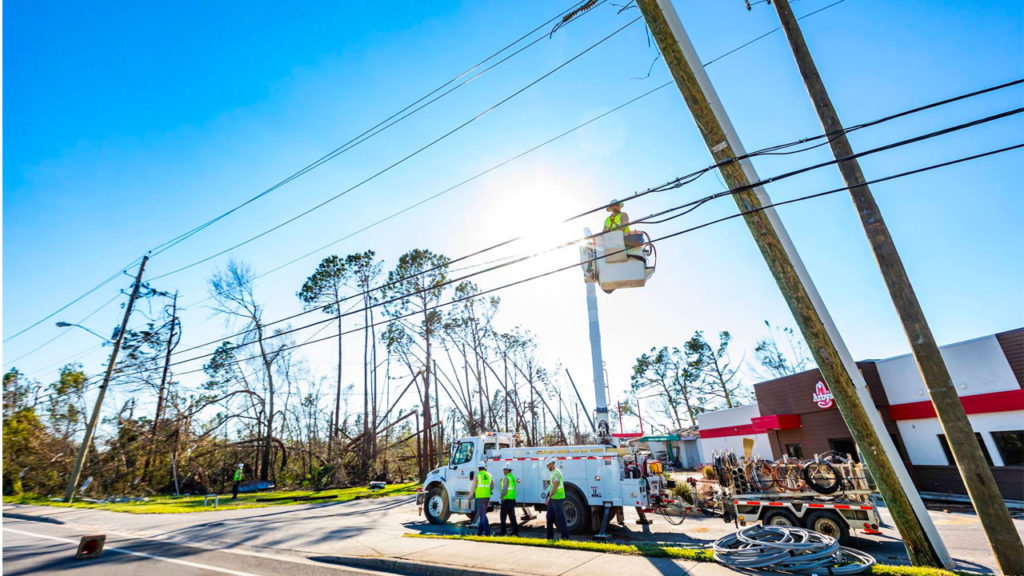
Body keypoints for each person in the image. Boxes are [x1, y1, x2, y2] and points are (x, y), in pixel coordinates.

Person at [544, 459, 569, 541]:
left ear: (551, 464)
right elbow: (552, 486)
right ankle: (549, 537)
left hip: (557, 498)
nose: (547, 467)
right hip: (554, 499)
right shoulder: (554, 472)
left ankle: (565, 537)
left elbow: (555, 485)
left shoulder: (556, 473)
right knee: (549, 517)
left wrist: (549, 497)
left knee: (560, 518)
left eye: (548, 465)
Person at [470, 463, 493, 536]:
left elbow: (473, 486)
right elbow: (492, 486)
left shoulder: (477, 475)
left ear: (478, 468)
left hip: (480, 497)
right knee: (482, 513)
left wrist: (470, 495)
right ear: (485, 468)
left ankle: (487, 532)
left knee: (482, 515)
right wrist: (486, 490)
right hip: (487, 497)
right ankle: (479, 533)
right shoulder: (489, 475)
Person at [498, 464, 519, 536]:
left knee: (503, 516)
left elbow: (504, 490)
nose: (503, 471)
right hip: (512, 499)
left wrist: (500, 497)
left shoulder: (506, 478)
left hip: (506, 500)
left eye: (504, 469)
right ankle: (515, 531)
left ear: (507, 470)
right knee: (512, 516)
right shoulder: (512, 477)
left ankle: (503, 531)